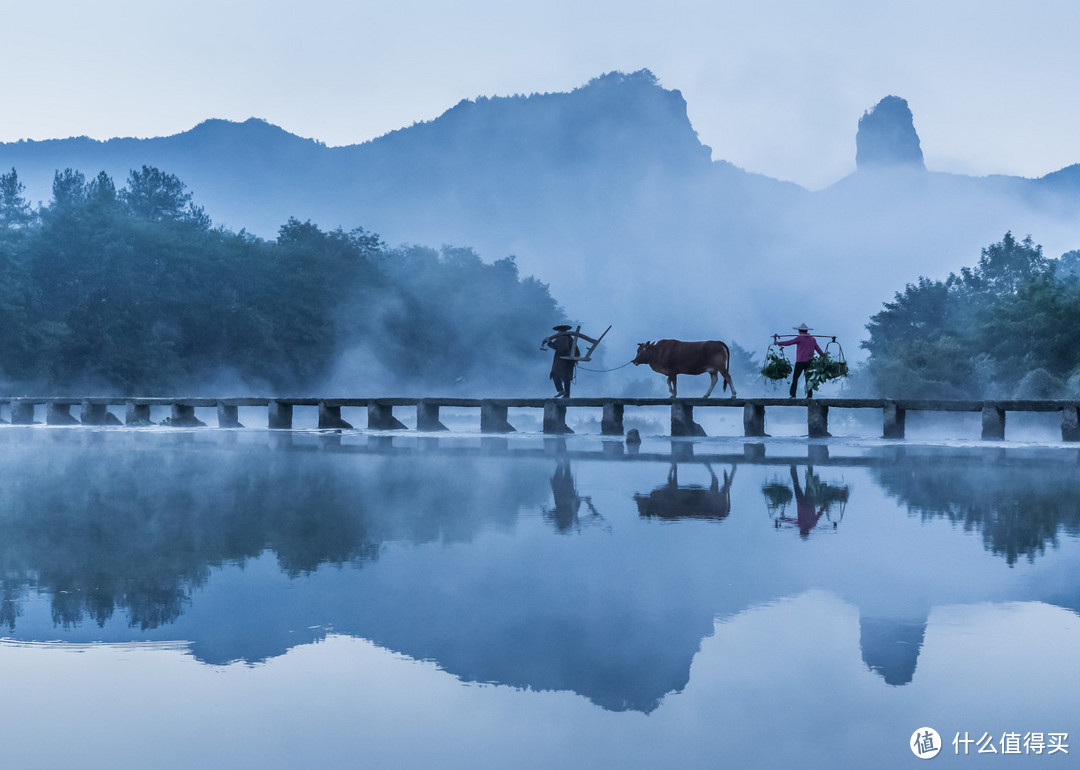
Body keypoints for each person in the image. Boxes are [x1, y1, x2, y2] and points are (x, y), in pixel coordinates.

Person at [774, 323, 825, 398]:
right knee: (808, 380)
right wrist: (823, 356)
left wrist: (778, 343)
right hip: (809, 362)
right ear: (806, 331)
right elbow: (818, 349)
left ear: (800, 331)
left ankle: (793, 395)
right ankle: (809, 396)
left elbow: (789, 342)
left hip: (800, 362)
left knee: (795, 378)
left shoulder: (799, 338)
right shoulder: (812, 339)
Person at [541, 324, 580, 398]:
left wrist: (549, 342)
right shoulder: (569, 338)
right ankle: (567, 395)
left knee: (555, 373)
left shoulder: (562, 338)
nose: (557, 333)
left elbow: (558, 347)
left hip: (562, 360)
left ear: (560, 331)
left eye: (558, 331)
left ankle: (561, 391)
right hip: (569, 362)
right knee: (567, 378)